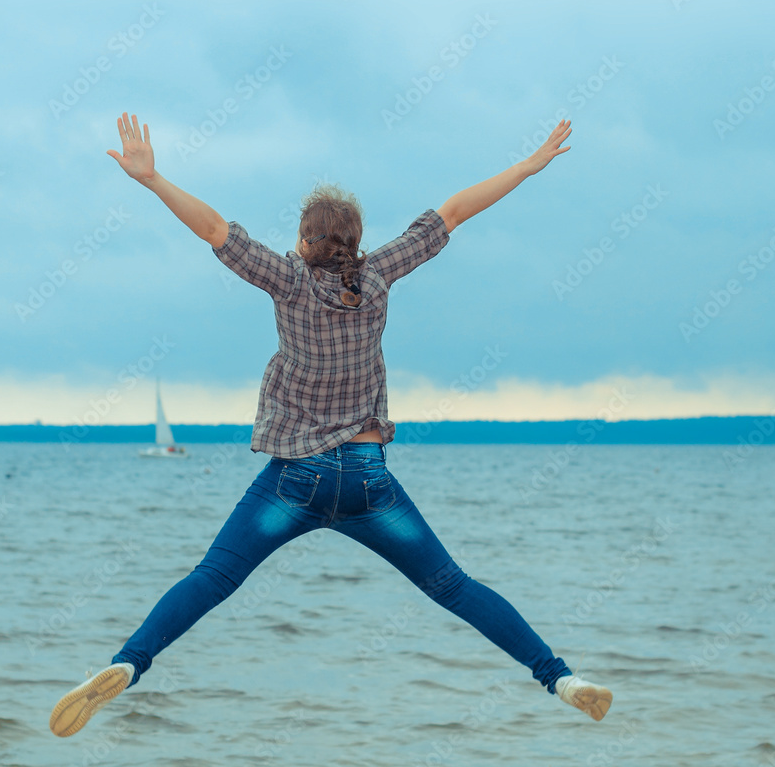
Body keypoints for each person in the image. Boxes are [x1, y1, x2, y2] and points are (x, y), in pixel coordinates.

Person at [49, 112, 613, 738]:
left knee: (214, 577)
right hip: (367, 479)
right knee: (452, 585)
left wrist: (153, 180)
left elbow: (214, 229)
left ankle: (127, 665)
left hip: (295, 478)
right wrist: (527, 167)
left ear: (302, 240)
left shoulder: (288, 281)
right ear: (356, 241)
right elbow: (453, 212)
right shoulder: (377, 276)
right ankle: (560, 677)